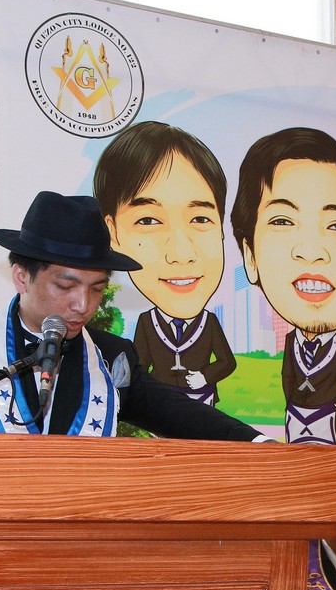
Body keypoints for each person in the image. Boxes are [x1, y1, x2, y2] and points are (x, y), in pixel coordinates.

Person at [0, 190, 262, 441]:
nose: (82, 304)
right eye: (65, 286)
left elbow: (177, 412)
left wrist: (259, 442)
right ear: (22, 277)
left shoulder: (111, 354)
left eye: (96, 288)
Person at [231, 127, 336, 445]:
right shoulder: (292, 340)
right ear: (250, 257)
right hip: (297, 418)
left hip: (333, 422)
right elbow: (287, 377)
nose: (311, 251)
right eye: (283, 221)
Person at [94, 121, 236, 406]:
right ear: (113, 232)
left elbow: (226, 362)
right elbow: (140, 367)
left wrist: (204, 377)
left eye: (200, 219)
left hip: (204, 403)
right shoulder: (147, 323)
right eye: (148, 220)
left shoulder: (209, 323)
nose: (181, 254)